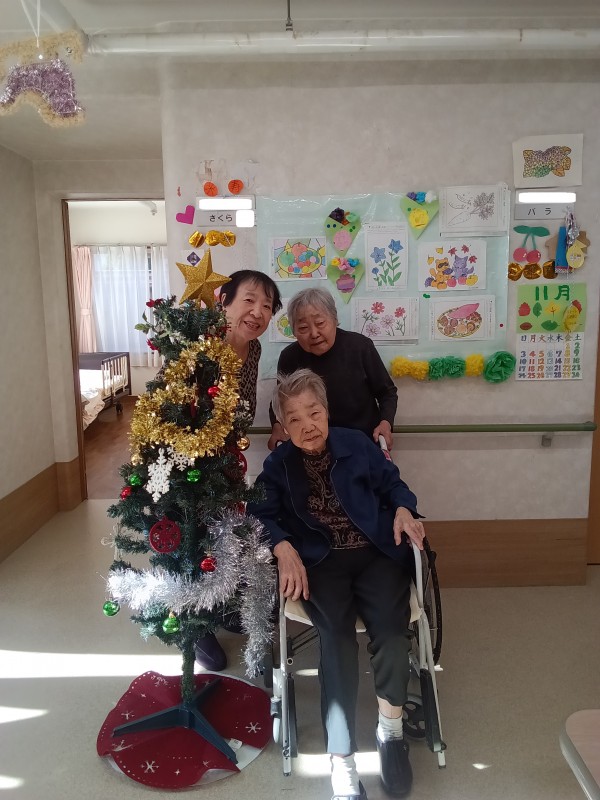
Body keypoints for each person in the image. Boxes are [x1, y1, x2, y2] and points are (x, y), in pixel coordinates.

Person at [249, 369, 425, 800]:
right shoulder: (279, 465)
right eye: (294, 419)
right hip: (320, 564)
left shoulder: (357, 444)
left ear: (326, 411)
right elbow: (259, 513)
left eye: (314, 412)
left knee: (391, 633)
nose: (307, 425)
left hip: (376, 554)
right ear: (283, 426)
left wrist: (404, 509)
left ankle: (390, 733)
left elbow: (394, 485)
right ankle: (342, 760)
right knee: (337, 641)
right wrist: (282, 547)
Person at [194, 269, 282, 672]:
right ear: (224, 301)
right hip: (191, 461)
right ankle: (194, 623)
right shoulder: (201, 344)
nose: (258, 312)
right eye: (249, 300)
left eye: (267, 306)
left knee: (226, 535)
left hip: (228, 458)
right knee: (193, 536)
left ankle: (219, 603)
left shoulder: (255, 349)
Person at [267, 287, 398, 452]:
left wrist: (386, 423)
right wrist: (277, 426)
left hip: (362, 444)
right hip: (311, 447)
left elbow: (387, 392)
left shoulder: (360, 347)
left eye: (320, 323)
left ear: (334, 319)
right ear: (293, 331)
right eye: (303, 328)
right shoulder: (289, 357)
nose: (314, 333)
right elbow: (280, 402)